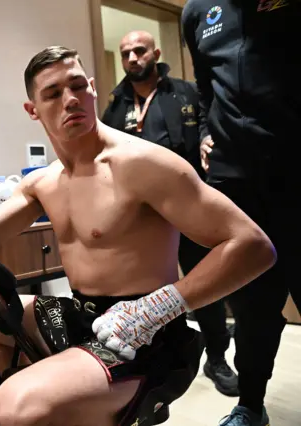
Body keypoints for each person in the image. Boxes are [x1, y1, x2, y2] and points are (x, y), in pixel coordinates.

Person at [0, 46, 276, 426]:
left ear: (92, 88)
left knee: (14, 406)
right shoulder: (45, 182)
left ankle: (51, 405)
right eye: (53, 93)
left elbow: (253, 246)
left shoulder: (143, 164)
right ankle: (69, 405)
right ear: (32, 109)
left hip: (151, 337)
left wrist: (159, 307)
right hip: (87, 317)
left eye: (77, 86)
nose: (70, 99)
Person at [101, 30, 237, 397]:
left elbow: (210, 121)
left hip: (187, 205)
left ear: (155, 53)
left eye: (139, 50)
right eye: (126, 52)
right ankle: (148, 358)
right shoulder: (114, 105)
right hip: (139, 214)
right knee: (143, 286)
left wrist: (210, 139)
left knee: (202, 281)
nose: (131, 57)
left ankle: (217, 356)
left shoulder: (185, 92)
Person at [183, 1, 300, 424]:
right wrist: (204, 132)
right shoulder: (198, 11)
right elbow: (204, 86)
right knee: (252, 309)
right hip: (236, 185)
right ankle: (250, 405)